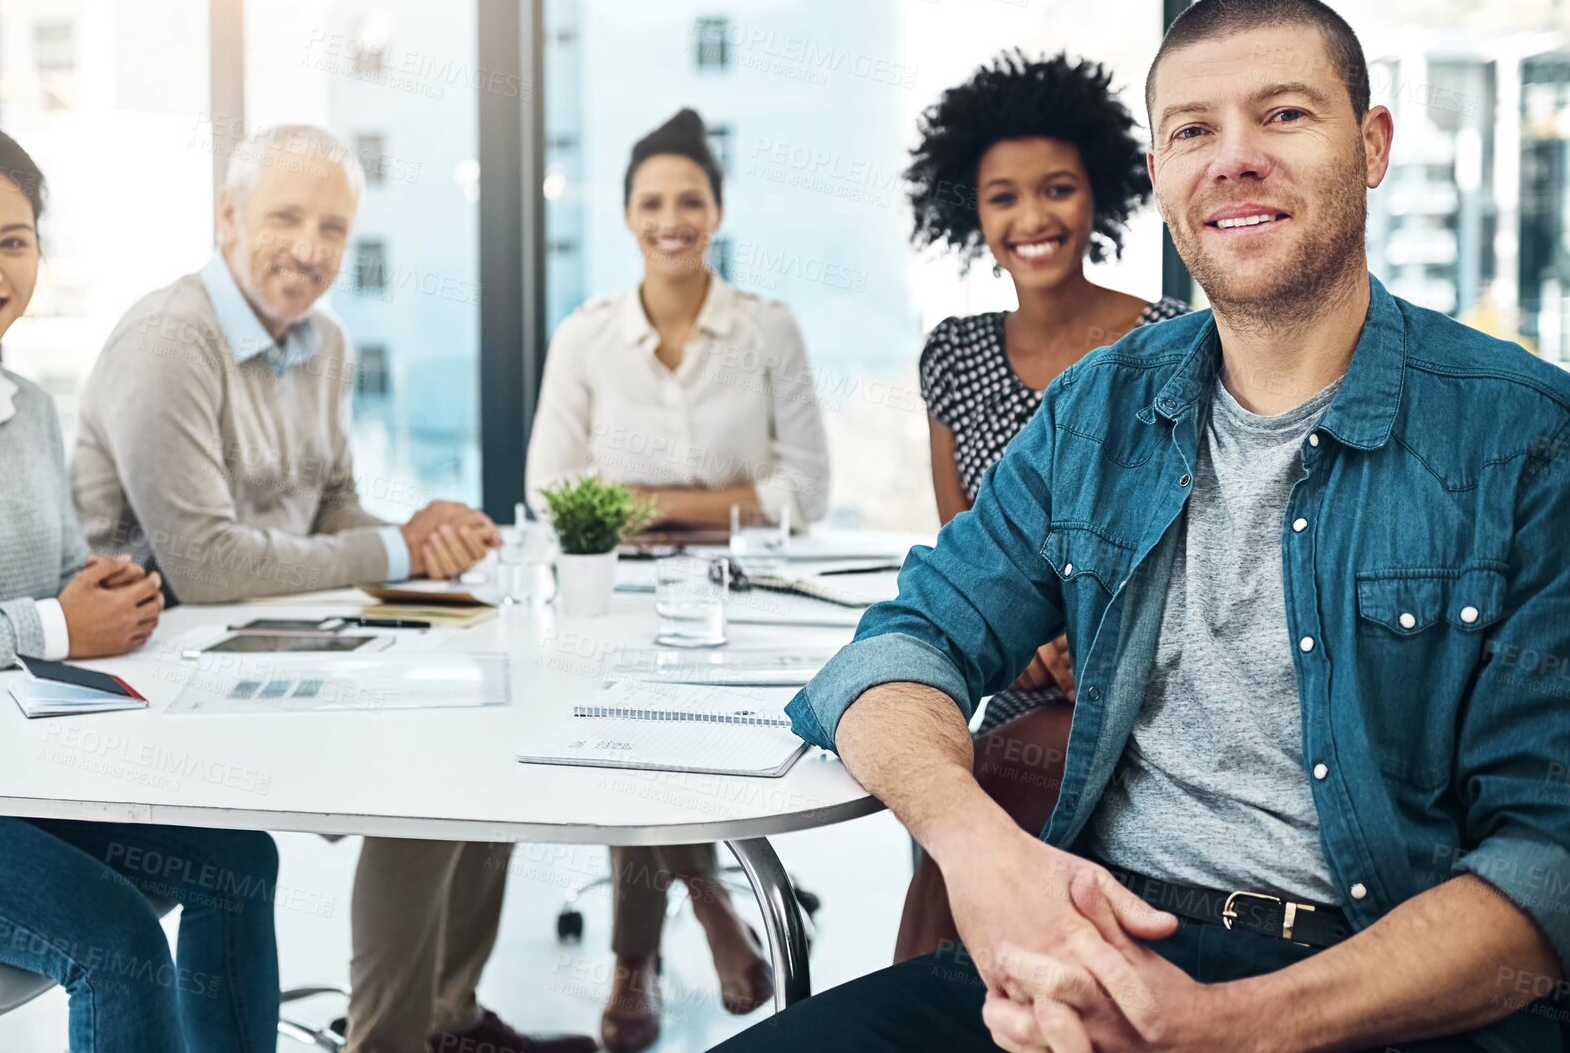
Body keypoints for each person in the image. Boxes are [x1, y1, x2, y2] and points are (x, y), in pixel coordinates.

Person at [716, 0, 1570, 1053]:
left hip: (1375, 998)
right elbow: (902, 645)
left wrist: (1221, 1027)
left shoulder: (1525, 434)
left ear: (1373, 143)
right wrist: (981, 855)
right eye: (1194, 131)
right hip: (1100, 956)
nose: (1236, 159)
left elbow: (1549, 871)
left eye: (1284, 115)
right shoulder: (1100, 407)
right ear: (1162, 176)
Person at [71, 124, 586, 1053]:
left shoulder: (326, 341)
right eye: (285, 218)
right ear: (227, 217)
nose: (310, 249)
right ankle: (388, 1041)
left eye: (334, 228)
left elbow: (334, 507)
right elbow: (210, 568)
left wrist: (425, 538)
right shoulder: (169, 339)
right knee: (433, 777)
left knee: (487, 725)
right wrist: (396, 552)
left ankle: (448, 1019)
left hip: (276, 641)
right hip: (160, 674)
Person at [0, 115, 281, 1053]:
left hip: (0, 760)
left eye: (12, 241)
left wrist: (99, 594)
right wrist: (49, 621)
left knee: (236, 860)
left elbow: (50, 591)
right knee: (113, 938)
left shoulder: (28, 408)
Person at [526, 107, 829, 1051]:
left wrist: (654, 501)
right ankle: (701, 903)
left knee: (661, 735)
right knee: (634, 738)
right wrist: (705, 498)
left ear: (717, 209)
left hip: (737, 589)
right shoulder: (586, 336)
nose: (672, 218)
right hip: (615, 590)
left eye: (689, 199)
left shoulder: (766, 330)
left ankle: (632, 967)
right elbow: (545, 489)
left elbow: (808, 488)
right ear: (626, 217)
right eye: (652, 201)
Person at [895, 52, 1191, 962]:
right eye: (1002, 198)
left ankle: (914, 1008)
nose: (1030, 218)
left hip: (1141, 690)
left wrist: (1088, 649)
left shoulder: (1169, 340)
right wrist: (1023, 645)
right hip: (1006, 684)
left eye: (1056, 189)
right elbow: (965, 551)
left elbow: (1191, 552)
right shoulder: (954, 352)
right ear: (970, 215)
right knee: (939, 781)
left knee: (986, 797)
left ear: (1096, 195)